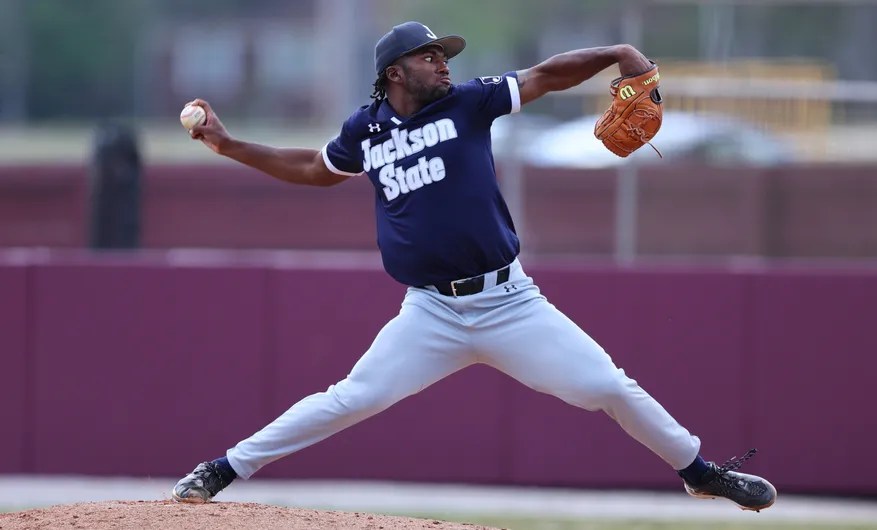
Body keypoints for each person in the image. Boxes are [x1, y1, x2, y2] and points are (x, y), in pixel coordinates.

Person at [171, 21, 776, 512]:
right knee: (352, 398)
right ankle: (223, 468)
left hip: (510, 302)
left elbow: (544, 76)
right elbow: (311, 169)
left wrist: (617, 53)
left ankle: (700, 473)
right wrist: (228, 145)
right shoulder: (366, 130)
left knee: (607, 386)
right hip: (430, 311)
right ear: (395, 72)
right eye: (429, 56)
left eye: (444, 56)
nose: (443, 65)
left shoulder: (468, 103)